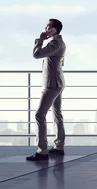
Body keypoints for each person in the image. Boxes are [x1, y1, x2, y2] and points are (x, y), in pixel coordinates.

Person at [26, 19, 67, 161]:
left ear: (54, 29)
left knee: (39, 115)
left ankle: (42, 150)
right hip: (57, 82)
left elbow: (37, 54)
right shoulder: (59, 42)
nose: (45, 28)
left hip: (52, 84)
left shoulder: (55, 43)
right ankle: (59, 146)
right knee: (57, 114)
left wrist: (40, 40)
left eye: (48, 26)